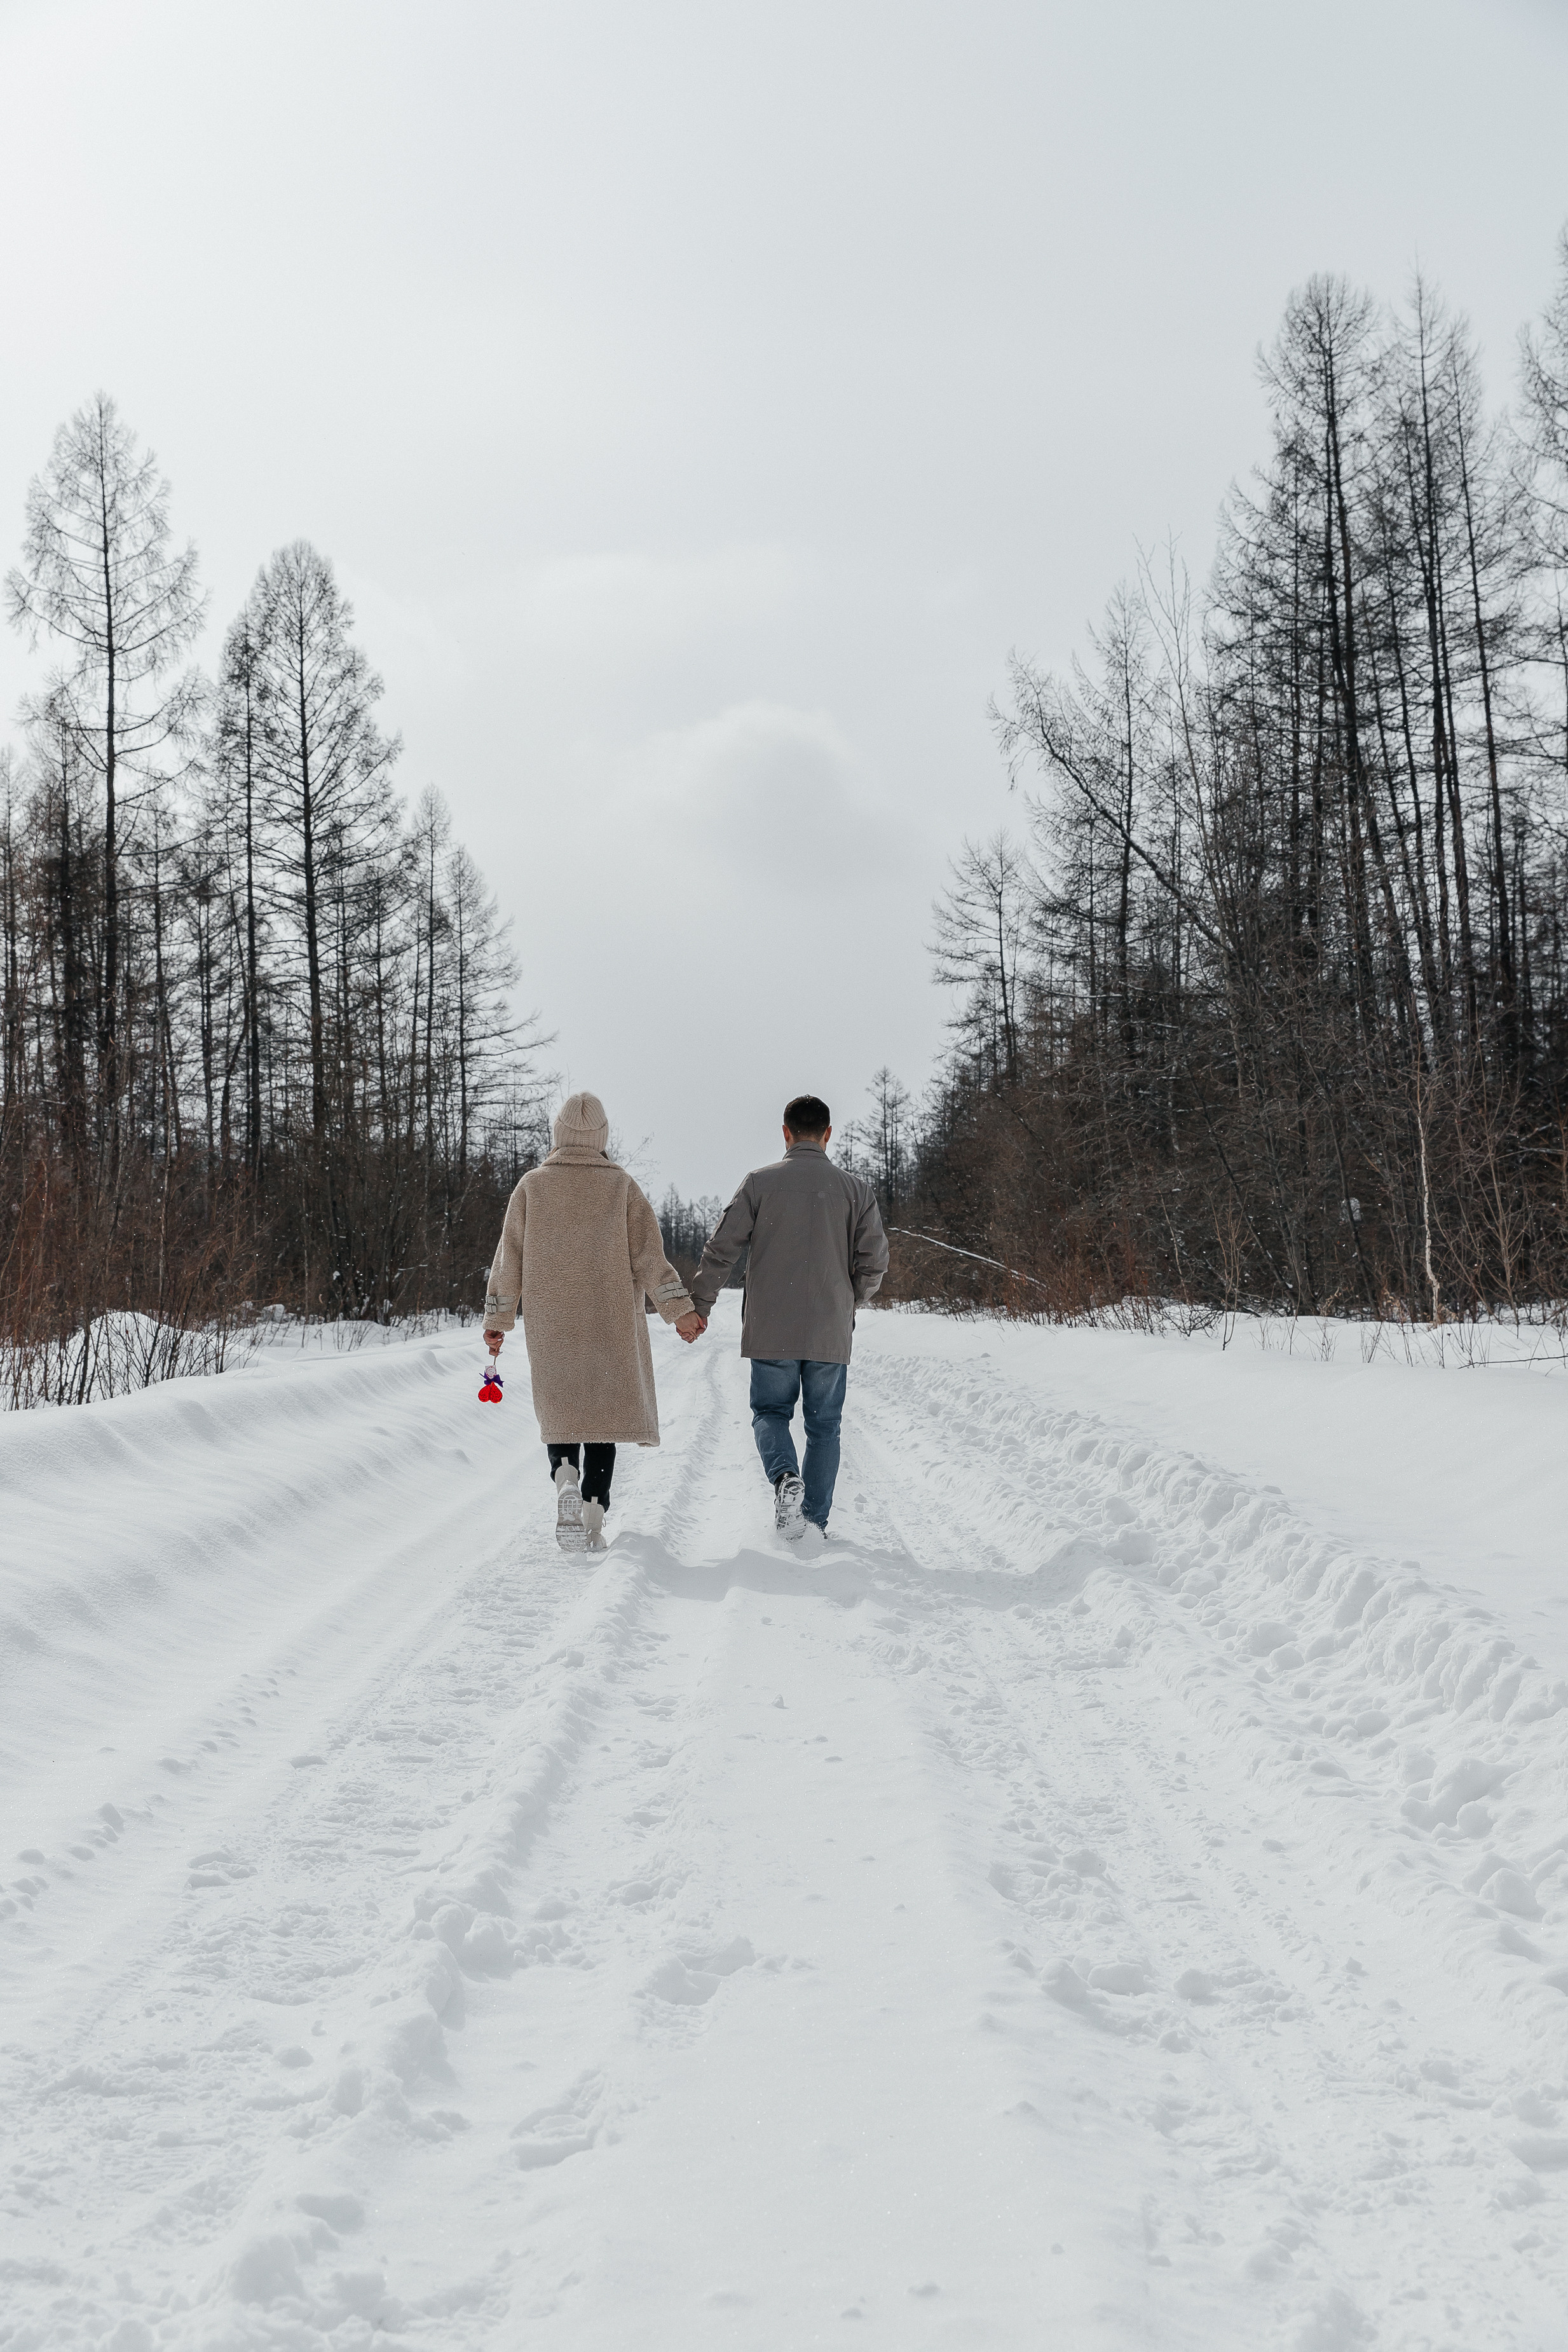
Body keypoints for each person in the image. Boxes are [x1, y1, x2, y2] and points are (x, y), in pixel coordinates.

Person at [482, 1091, 704, 1553]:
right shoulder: (621, 1186)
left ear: (558, 1135)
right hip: (609, 1323)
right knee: (603, 1421)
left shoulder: (532, 1186)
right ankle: (594, 1514)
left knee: (563, 1415)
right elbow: (649, 1258)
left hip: (552, 1324)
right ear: (601, 1138)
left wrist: (498, 1317)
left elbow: (510, 1259)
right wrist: (680, 1310)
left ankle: (565, 1475)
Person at [688, 1093, 889, 1541]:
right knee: (824, 1426)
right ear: (827, 1134)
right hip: (828, 1328)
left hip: (771, 1326)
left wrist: (698, 1305)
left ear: (785, 1133)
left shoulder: (759, 1184)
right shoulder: (856, 1191)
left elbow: (721, 1250)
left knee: (770, 1412)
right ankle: (813, 1522)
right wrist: (847, 1299)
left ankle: (784, 1479)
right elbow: (874, 1262)